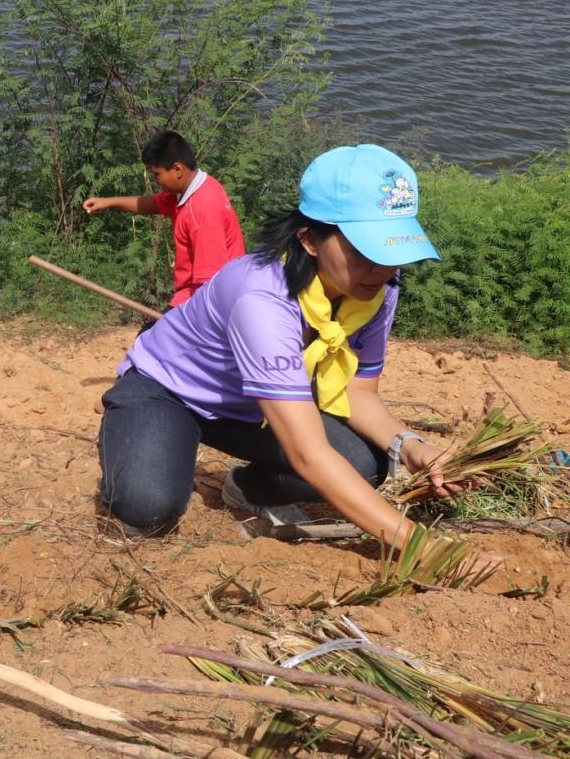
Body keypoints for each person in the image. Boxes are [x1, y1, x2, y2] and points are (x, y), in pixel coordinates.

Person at [96, 144, 481, 560]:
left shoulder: (374, 290)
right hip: (168, 391)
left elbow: (357, 394)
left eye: (391, 252)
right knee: (147, 510)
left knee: (366, 461)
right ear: (310, 240)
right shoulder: (262, 297)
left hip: (250, 406)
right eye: (364, 251)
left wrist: (410, 445)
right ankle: (134, 432)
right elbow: (307, 453)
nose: (381, 268)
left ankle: (246, 487)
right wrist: (424, 548)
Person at [83, 130, 246, 308]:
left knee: (149, 336)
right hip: (196, 293)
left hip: (211, 300)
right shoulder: (190, 189)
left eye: (157, 174)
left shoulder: (202, 211)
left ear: (177, 169)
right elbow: (152, 204)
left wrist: (175, 320)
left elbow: (210, 285)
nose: (155, 180)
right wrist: (107, 202)